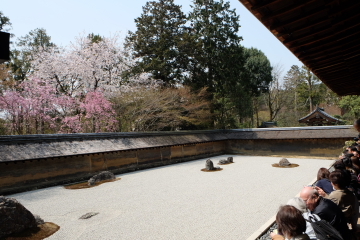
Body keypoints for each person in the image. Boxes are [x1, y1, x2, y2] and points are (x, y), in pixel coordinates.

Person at [316, 170, 358, 239]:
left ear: (336, 184)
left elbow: (328, 205)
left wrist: (323, 195)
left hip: (339, 223)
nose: (331, 184)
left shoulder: (335, 195)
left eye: (332, 182)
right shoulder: (349, 192)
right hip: (349, 218)